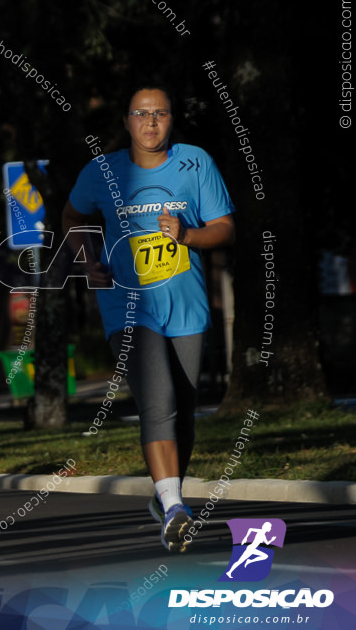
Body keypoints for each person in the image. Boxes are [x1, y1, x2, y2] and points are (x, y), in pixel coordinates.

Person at [62, 85, 235, 553]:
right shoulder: (104, 171)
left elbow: (225, 227)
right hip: (128, 306)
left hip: (186, 304)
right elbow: (72, 217)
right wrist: (88, 261)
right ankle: (176, 508)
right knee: (157, 399)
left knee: (183, 409)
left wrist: (188, 234)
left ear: (172, 119)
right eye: (142, 114)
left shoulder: (195, 162)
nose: (152, 122)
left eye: (161, 113)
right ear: (126, 121)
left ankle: (166, 494)